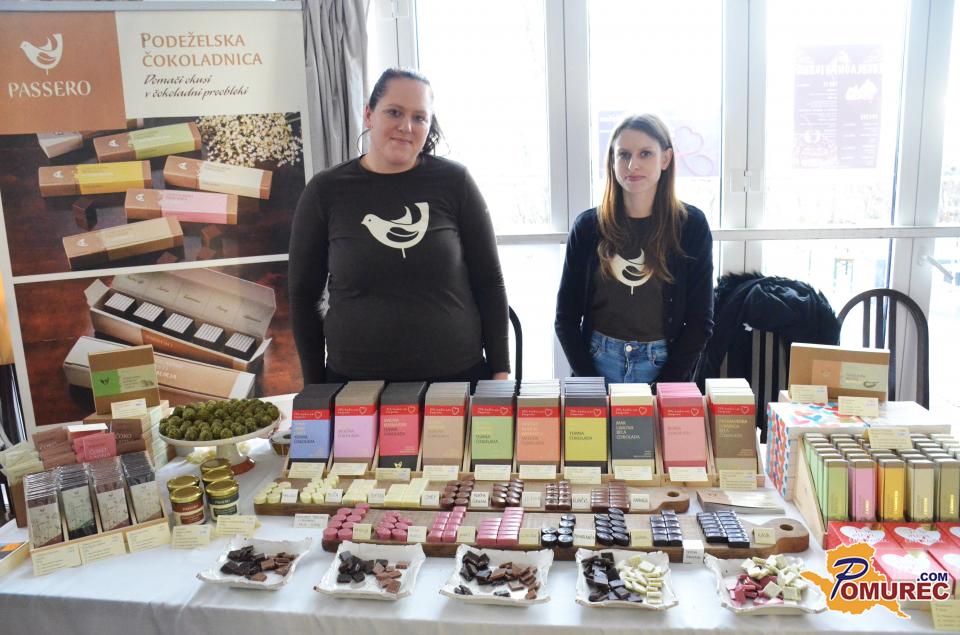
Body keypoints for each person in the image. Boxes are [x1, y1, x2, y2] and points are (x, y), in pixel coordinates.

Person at [288, 68, 510, 386]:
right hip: (355, 386)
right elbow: (303, 297)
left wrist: (501, 371)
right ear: (369, 115)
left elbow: (490, 282)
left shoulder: (455, 182)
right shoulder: (325, 191)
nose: (406, 127)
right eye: (394, 112)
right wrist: (314, 387)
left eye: (419, 117)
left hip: (457, 380)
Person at [555, 114, 714, 384]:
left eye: (645, 154)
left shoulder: (691, 226)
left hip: (664, 365)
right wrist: (590, 382)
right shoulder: (587, 227)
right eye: (624, 154)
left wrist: (667, 385)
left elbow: (700, 322)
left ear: (665, 159)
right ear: (612, 160)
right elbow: (565, 319)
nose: (633, 165)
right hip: (598, 361)